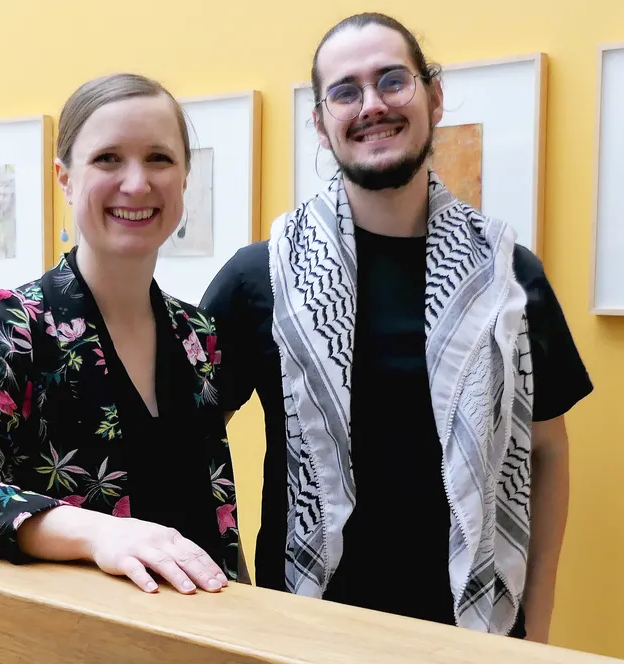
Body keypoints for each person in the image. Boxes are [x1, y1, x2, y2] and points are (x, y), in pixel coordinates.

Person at [200, 12, 593, 644]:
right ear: (322, 124)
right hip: (308, 625)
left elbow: (547, 451)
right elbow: (184, 441)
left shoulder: (508, 275)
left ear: (434, 98)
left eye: (392, 80)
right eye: (345, 91)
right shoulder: (260, 277)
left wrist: (537, 629)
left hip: (473, 627)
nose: (372, 105)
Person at [0, 73, 242, 606]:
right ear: (64, 177)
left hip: (197, 640)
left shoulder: (197, 332)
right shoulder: (10, 322)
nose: (136, 183)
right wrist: (100, 534)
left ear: (184, 177)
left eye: (159, 158)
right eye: (108, 158)